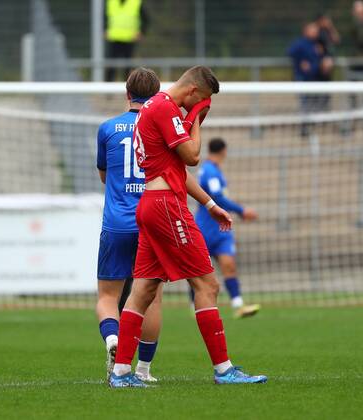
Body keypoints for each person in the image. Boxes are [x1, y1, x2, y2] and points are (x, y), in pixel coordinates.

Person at [109, 66, 267, 387]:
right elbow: (193, 156)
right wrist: (194, 118)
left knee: (143, 290)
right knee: (207, 286)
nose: (203, 107)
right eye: (203, 100)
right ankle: (224, 370)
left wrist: (210, 205)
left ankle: (122, 372)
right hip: (167, 206)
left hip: (151, 205)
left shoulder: (153, 107)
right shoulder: (166, 107)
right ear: (193, 91)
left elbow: (176, 169)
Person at [96, 67, 162, 382]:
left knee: (108, 296)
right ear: (158, 95)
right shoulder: (161, 129)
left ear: (127, 94)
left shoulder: (107, 128)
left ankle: (112, 339)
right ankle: (145, 370)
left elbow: (105, 176)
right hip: (151, 222)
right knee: (152, 296)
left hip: (117, 223)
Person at [192, 138, 260, 319]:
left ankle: (238, 305)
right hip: (206, 229)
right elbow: (217, 198)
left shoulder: (212, 170)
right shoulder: (210, 171)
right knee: (198, 271)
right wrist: (241, 210)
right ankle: (195, 306)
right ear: (223, 151)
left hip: (221, 230)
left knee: (228, 264)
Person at [105, 0, 150, 82]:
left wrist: (141, 31)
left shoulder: (135, 2)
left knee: (128, 66)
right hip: (114, 38)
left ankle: (129, 88)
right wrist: (105, 29)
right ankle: (107, 90)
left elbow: (146, 19)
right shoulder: (111, 2)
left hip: (129, 39)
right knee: (110, 65)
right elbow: (104, 17)